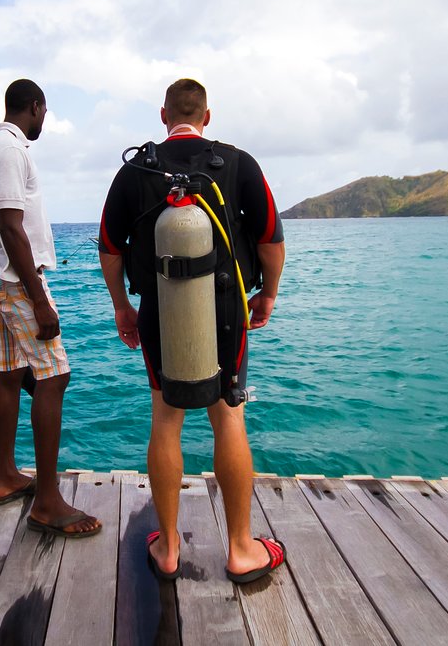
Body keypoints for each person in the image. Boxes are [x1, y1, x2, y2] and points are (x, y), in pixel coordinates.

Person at [98, 78, 286, 582]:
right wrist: (266, 294)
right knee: (228, 418)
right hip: (227, 310)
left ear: (164, 116)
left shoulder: (135, 169)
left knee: (165, 419)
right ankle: (243, 549)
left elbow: (109, 247)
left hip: (160, 309)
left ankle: (169, 550)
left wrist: (122, 307)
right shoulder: (239, 163)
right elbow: (270, 236)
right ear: (208, 115)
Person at [0, 78, 100, 537]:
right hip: (16, 279)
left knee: (9, 372)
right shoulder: (11, 151)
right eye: (44, 112)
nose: (45, 119)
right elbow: (10, 224)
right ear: (35, 106)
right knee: (54, 375)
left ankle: (6, 476)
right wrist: (39, 298)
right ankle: (46, 502)